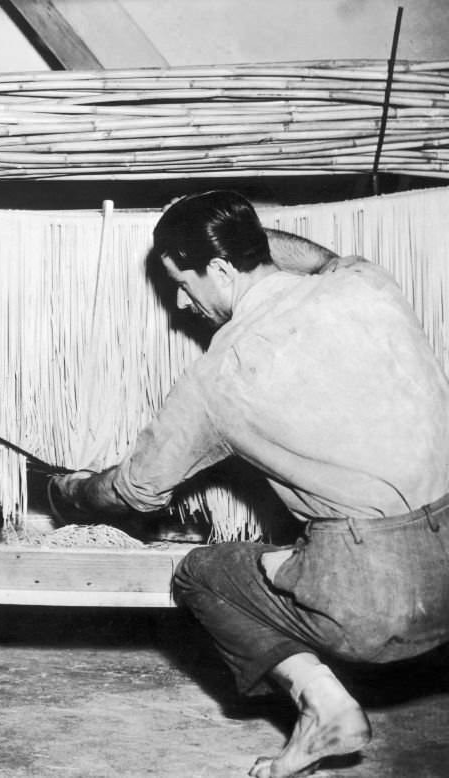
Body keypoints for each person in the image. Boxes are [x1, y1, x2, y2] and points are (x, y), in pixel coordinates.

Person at [50, 190, 449, 777]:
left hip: (379, 606)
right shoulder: (368, 284)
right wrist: (243, 238)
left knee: (201, 575)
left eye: (184, 285)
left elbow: (137, 491)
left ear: (218, 270)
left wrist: (75, 490)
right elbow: (316, 260)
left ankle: (323, 704)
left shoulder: (223, 372)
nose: (183, 306)